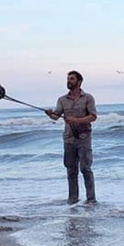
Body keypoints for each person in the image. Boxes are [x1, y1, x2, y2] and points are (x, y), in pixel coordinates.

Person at [45, 70, 97, 204]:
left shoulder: (88, 98)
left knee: (85, 169)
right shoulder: (62, 100)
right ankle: (72, 200)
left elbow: (93, 116)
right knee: (71, 170)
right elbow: (56, 116)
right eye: (68, 79)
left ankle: (91, 200)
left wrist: (76, 120)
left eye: (72, 79)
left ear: (79, 82)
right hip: (68, 139)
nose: (69, 81)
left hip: (84, 137)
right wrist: (50, 114)